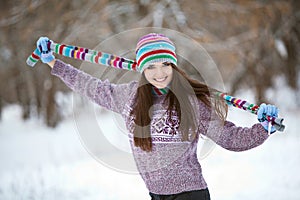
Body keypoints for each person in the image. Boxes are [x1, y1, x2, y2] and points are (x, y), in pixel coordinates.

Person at [36, 33, 278, 200]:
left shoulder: (190, 101)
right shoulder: (129, 96)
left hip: (190, 194)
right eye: (151, 66)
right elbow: (92, 86)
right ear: (142, 69)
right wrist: (54, 63)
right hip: (155, 194)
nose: (159, 73)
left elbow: (230, 138)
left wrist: (263, 128)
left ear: (173, 66)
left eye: (165, 65)